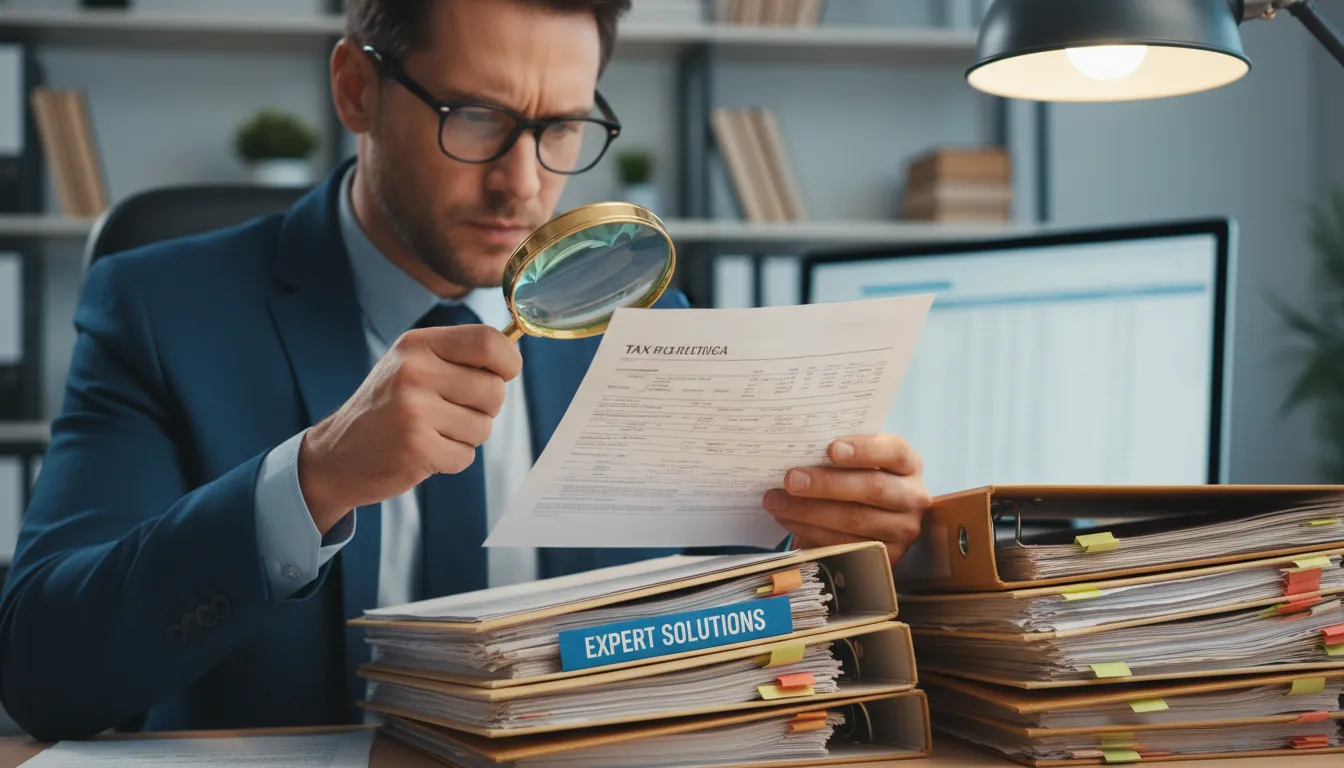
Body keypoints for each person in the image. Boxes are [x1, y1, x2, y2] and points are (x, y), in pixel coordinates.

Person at [0, 0, 933, 741]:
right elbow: (44, 672)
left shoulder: (646, 332)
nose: (523, 183)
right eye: (476, 117)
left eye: (563, 126)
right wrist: (313, 478)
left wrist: (834, 551)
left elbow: (725, 634)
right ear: (356, 88)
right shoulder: (160, 311)